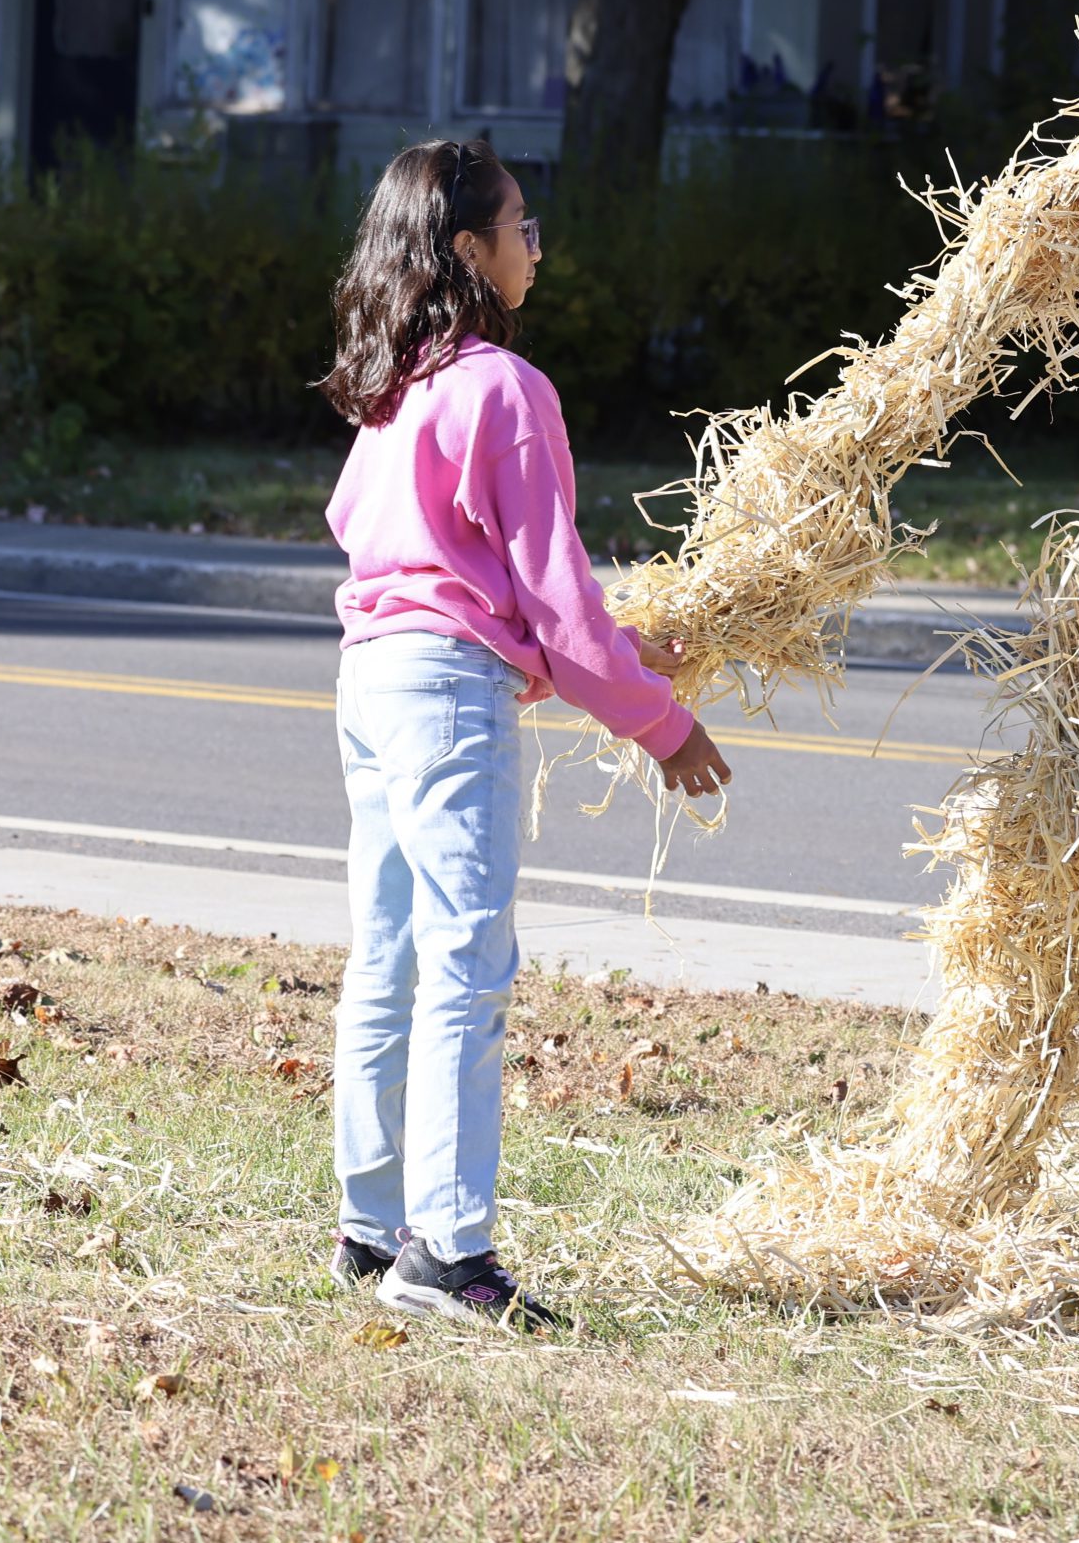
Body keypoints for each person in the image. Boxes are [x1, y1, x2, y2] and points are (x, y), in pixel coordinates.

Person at [316, 139, 731, 1329]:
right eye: (521, 227)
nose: (535, 246)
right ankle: (448, 1255)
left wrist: (559, 650)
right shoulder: (503, 386)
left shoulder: (395, 390)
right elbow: (554, 598)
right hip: (444, 697)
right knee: (466, 963)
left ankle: (370, 1223)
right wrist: (663, 725)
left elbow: (405, 552)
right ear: (467, 250)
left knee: (386, 950)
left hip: (373, 681)